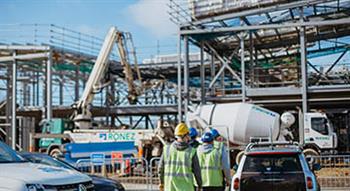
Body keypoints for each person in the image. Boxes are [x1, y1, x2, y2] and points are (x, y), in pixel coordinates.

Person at [158, 122, 202, 191]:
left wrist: (161, 182)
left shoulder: (167, 149)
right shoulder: (191, 151)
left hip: (170, 187)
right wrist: (200, 185)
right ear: (184, 135)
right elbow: (197, 171)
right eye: (188, 135)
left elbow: (160, 168)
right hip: (186, 188)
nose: (189, 138)